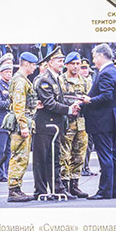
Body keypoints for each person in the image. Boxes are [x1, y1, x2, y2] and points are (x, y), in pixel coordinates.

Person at [32, 46, 80, 198]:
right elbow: (50, 103)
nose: (62, 64)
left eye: (62, 60)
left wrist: (72, 105)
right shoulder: (44, 80)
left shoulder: (56, 78)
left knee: (54, 159)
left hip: (55, 125)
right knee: (41, 159)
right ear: (50, 62)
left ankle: (57, 189)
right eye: (59, 61)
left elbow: (60, 99)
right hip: (45, 124)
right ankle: (40, 191)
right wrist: (68, 110)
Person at [81, 43, 116, 199]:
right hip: (112, 120)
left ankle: (105, 191)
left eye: (94, 57)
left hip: (103, 121)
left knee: (106, 156)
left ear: (100, 55)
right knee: (113, 155)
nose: (93, 60)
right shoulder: (114, 71)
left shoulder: (106, 73)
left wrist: (89, 100)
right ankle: (113, 190)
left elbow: (106, 95)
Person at [6, 52, 39, 202]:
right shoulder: (20, 81)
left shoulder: (22, 80)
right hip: (21, 124)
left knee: (22, 157)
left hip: (24, 120)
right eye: (33, 65)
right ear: (26, 64)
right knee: (19, 156)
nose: (34, 67)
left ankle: (16, 189)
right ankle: (13, 190)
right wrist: (23, 126)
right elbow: (18, 106)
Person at [59, 52, 91, 198]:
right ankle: (64, 184)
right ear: (66, 65)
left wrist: (82, 104)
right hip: (67, 122)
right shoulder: (61, 80)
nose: (76, 67)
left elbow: (90, 98)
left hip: (81, 122)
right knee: (65, 154)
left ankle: (75, 184)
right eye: (73, 64)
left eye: (78, 64)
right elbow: (58, 99)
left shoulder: (85, 81)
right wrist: (72, 105)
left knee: (79, 154)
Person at [0, 53, 14, 182]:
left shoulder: (11, 86)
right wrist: (10, 102)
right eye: (6, 72)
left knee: (8, 150)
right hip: (1, 122)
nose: (9, 74)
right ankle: (0, 173)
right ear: (1, 73)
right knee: (0, 150)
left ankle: (6, 172)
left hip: (10, 124)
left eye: (10, 72)